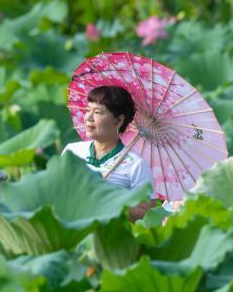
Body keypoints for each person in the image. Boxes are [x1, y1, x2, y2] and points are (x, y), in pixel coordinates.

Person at [62, 85, 162, 222]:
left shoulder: (136, 165)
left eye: (97, 112)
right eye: (87, 110)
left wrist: (112, 201)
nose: (88, 117)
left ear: (118, 121)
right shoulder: (71, 152)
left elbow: (149, 215)